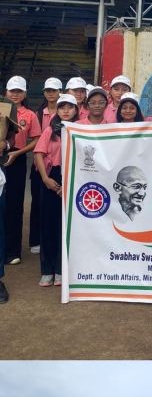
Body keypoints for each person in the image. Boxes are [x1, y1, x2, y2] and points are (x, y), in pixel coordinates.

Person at [33, 93, 76, 286]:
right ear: (57, 110)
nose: (65, 111)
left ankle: (60, 268)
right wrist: (45, 179)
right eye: (62, 107)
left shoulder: (80, 128)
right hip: (52, 178)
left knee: (65, 225)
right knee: (48, 224)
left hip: (72, 178)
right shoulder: (50, 130)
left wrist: (69, 182)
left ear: (76, 109)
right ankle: (47, 269)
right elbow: (38, 154)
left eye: (69, 107)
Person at [3, 74, 41, 266]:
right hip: (1, 156)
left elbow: (36, 139)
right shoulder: (1, 110)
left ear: (25, 93)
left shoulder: (30, 115)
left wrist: (18, 153)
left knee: (15, 205)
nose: (15, 95)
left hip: (16, 160)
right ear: (6, 92)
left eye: (19, 91)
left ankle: (12, 251)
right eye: (12, 91)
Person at [33, 77, 62, 254]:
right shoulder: (38, 113)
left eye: (54, 90)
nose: (50, 94)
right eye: (48, 91)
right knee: (41, 206)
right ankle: (38, 242)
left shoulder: (77, 124)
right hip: (44, 169)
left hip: (67, 171)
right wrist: (44, 176)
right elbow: (38, 147)